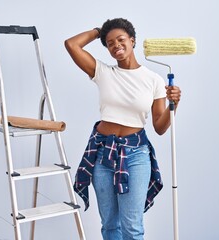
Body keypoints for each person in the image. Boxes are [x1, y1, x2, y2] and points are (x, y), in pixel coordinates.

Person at [65, 18, 182, 240]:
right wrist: (100, 31)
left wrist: (174, 104)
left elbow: (160, 126)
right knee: (109, 224)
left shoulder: (154, 80)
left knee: (132, 226)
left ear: (132, 40)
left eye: (121, 39)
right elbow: (71, 45)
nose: (116, 45)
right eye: (109, 43)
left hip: (135, 155)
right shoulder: (103, 72)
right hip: (103, 154)